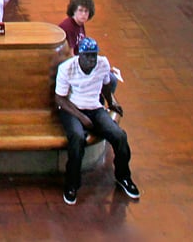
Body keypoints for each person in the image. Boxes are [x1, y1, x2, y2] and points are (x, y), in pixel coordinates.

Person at [55, 37, 138, 206]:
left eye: (94, 56)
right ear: (80, 55)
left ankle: (124, 177)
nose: (92, 60)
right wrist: (82, 117)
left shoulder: (102, 64)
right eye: (88, 56)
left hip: (95, 107)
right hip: (72, 109)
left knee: (119, 136)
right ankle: (72, 184)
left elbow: (106, 85)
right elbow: (60, 99)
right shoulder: (67, 68)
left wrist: (111, 101)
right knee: (77, 138)